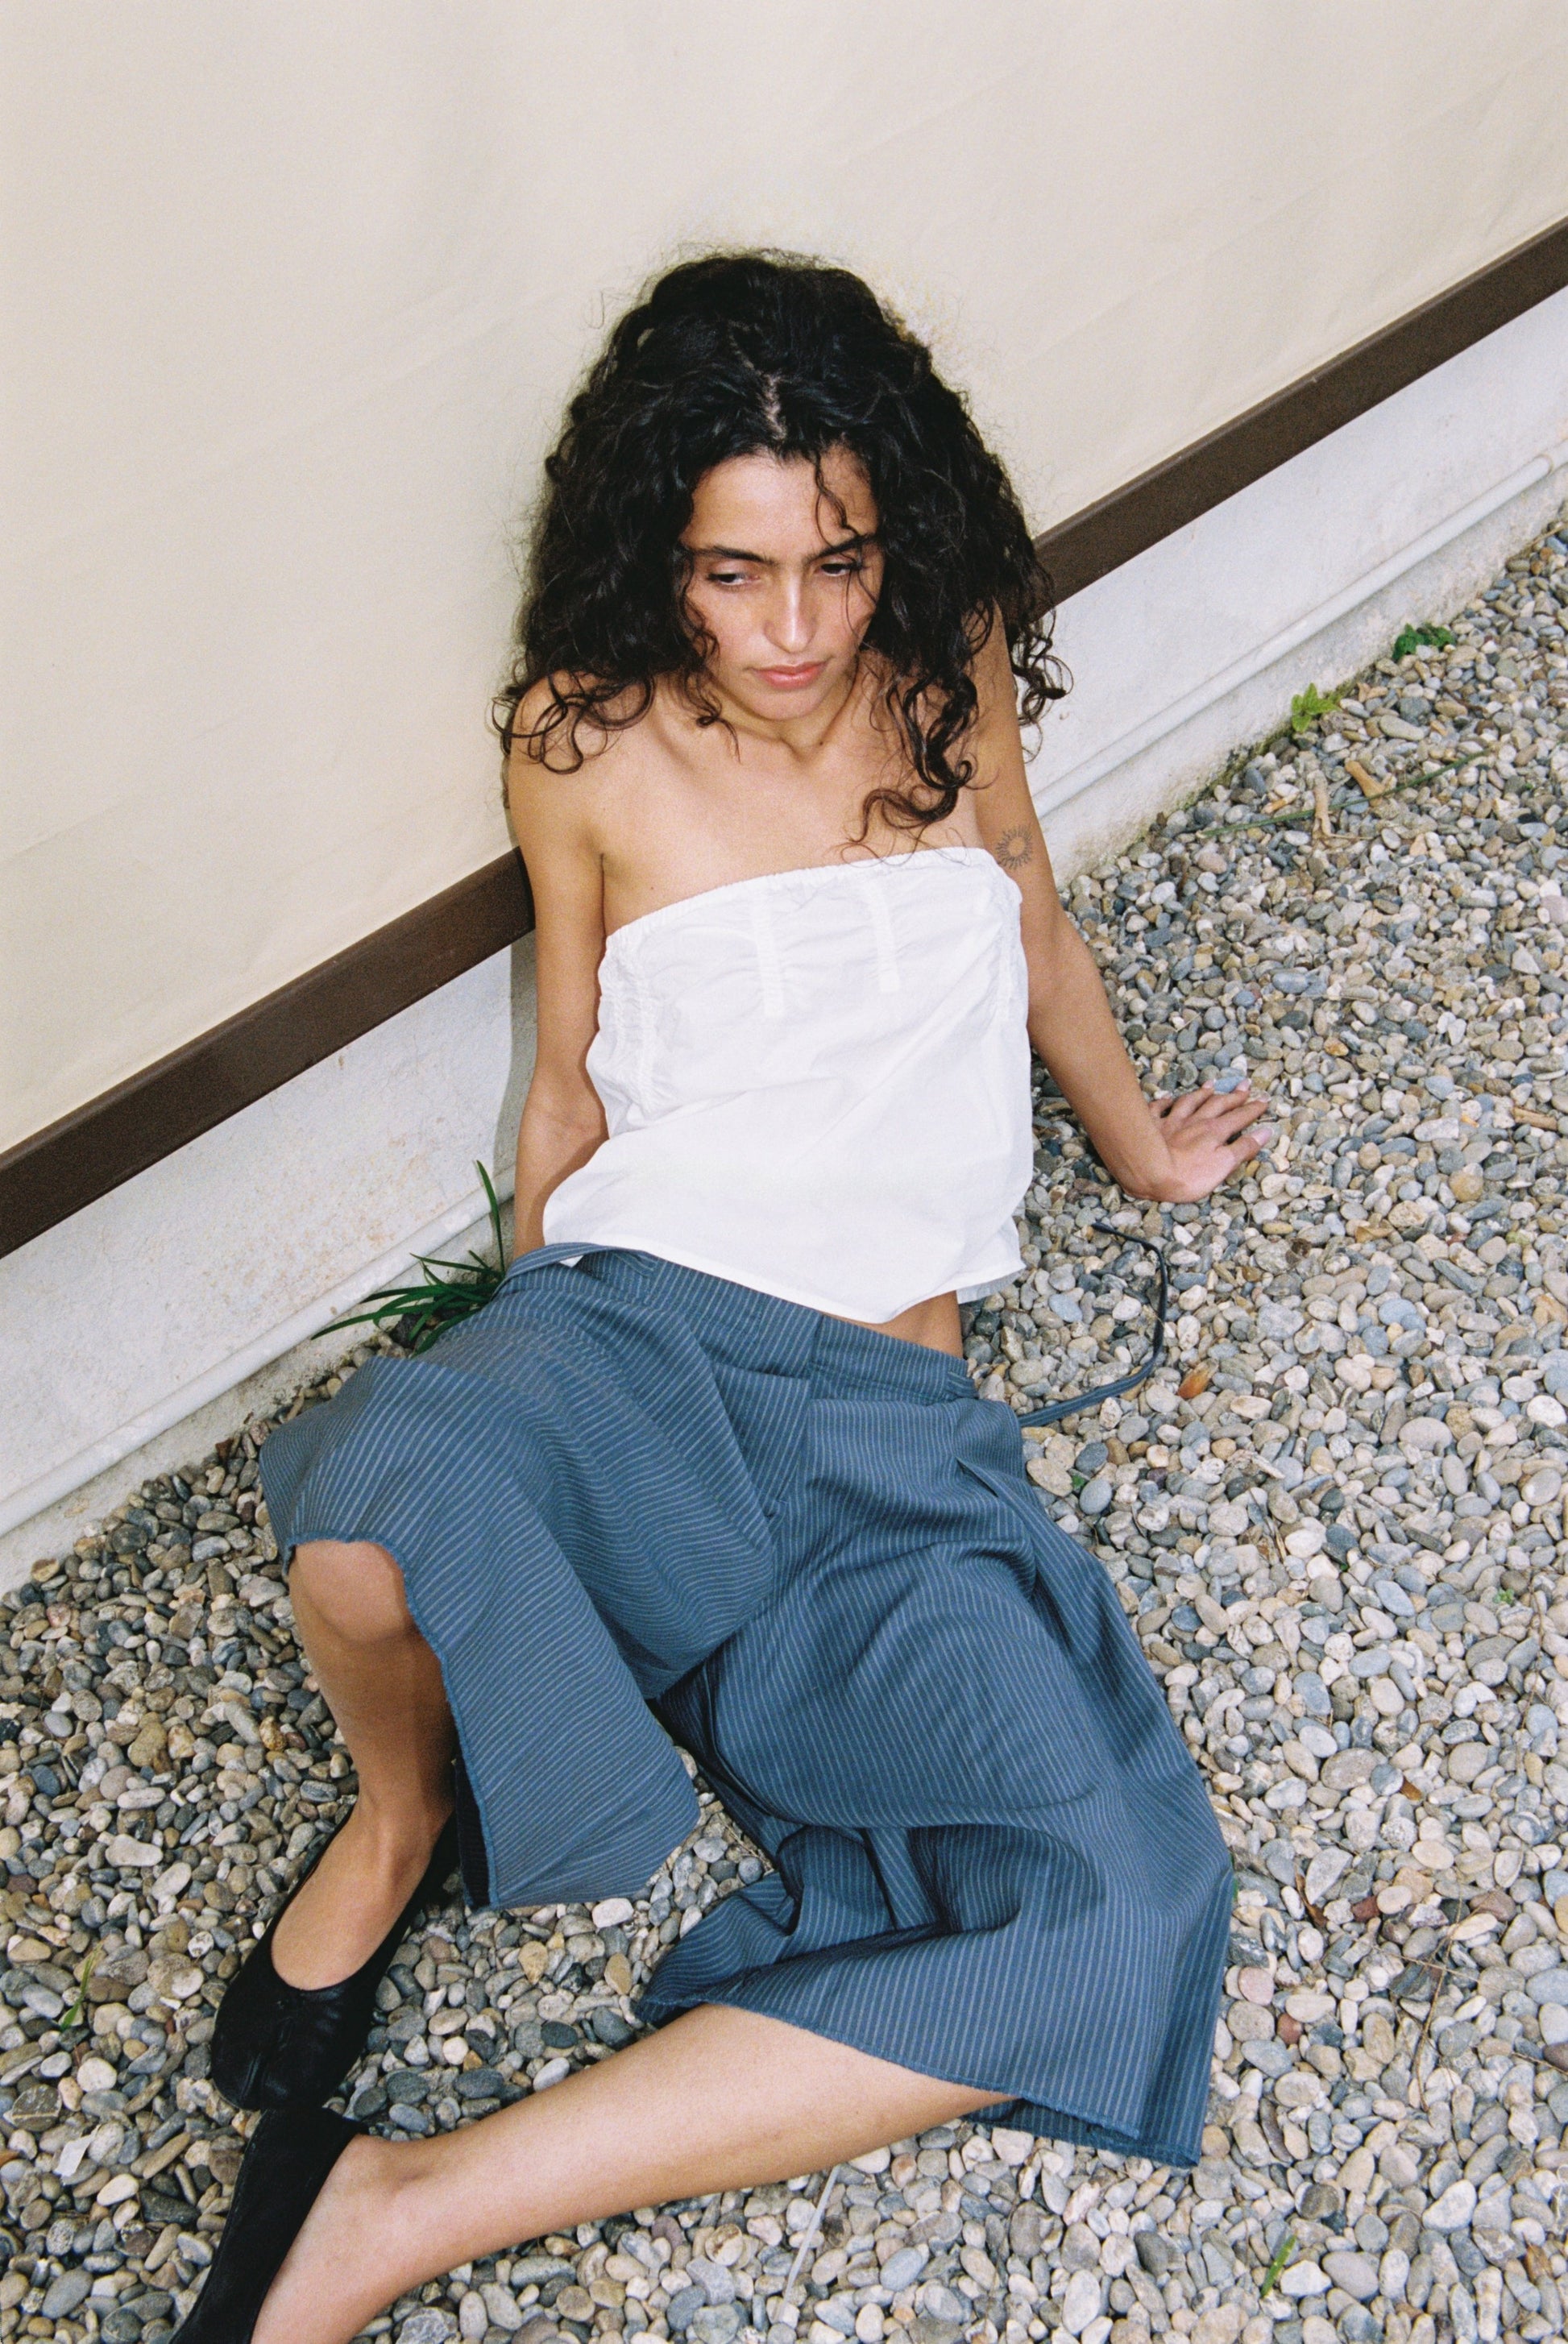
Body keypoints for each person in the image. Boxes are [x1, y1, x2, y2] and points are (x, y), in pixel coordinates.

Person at [175, 252, 1268, 2344]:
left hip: (889, 1439)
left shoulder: (939, 670)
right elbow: (571, 1078)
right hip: (646, 1332)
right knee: (378, 1502)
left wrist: (1135, 1146)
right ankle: (406, 1817)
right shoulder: (579, 741)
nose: (794, 630)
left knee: (1124, 1914)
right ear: (653, 553)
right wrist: (533, 1382)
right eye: (734, 572)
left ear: (898, 536)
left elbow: (1028, 915)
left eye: (837, 562)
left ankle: (384, 2210)